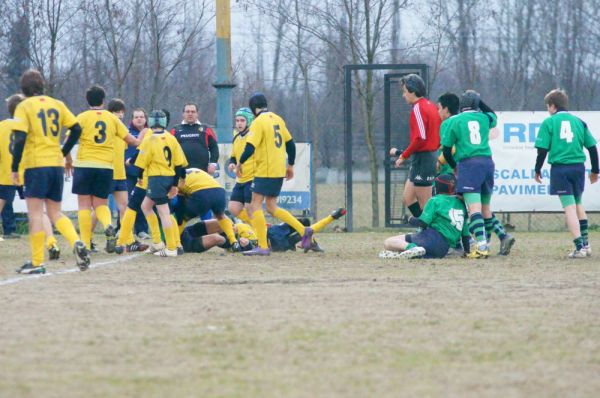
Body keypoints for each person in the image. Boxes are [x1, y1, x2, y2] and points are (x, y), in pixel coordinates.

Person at [11, 69, 89, 273]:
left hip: (36, 165)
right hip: (55, 164)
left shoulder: (24, 106)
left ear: (24, 88)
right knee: (55, 212)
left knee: (35, 214)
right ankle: (76, 242)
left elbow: (19, 139)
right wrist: (63, 152)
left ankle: (37, 262)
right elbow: (77, 129)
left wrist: (14, 167)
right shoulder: (57, 104)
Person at [441, 90, 515, 258]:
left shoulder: (455, 121)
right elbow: (492, 115)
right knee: (485, 209)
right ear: (476, 105)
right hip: (487, 163)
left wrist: (454, 167)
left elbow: (446, 151)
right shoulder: (484, 118)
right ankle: (503, 236)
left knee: (474, 209)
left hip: (469, 164)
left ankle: (481, 247)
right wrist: (479, 102)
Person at [236, 93, 313, 256]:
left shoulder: (258, 122)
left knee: (255, 205)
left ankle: (263, 246)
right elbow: (291, 145)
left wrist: (240, 162)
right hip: (278, 169)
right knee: (271, 207)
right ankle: (303, 230)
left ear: (254, 109)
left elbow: (250, 147)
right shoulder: (278, 119)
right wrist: (290, 165)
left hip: (265, 169)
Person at [68, 86, 140, 254]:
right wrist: (143, 136)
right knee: (101, 204)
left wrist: (68, 159)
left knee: (84, 205)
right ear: (103, 100)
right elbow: (132, 141)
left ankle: (85, 243)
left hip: (85, 165)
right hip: (106, 166)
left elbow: (71, 139)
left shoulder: (82, 117)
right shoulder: (112, 119)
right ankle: (108, 225)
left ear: (87, 100)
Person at [534, 89, 598, 258]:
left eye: (548, 106)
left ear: (553, 106)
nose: (548, 110)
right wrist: (595, 170)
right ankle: (586, 245)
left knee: (569, 208)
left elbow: (542, 150)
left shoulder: (549, 122)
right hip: (578, 167)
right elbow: (592, 147)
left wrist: (537, 169)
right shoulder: (579, 122)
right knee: (578, 205)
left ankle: (579, 248)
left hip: (561, 169)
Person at [135, 110, 188, 257]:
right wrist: (175, 184)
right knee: (145, 206)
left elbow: (141, 163)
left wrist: (139, 176)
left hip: (156, 178)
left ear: (150, 122)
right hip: (169, 178)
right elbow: (180, 164)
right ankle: (158, 242)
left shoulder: (149, 139)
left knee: (164, 213)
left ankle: (171, 247)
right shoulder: (171, 138)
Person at [380, 174, 470, 259]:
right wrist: (467, 251)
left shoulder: (435, 200)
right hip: (443, 250)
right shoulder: (461, 204)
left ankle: (413, 248)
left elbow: (422, 223)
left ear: (437, 187)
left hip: (432, 238)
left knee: (388, 242)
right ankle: (409, 251)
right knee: (416, 249)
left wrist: (409, 219)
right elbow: (465, 234)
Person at [390, 74, 441, 218]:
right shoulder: (430, 105)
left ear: (413, 91)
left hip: (424, 159)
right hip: (424, 157)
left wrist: (403, 156)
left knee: (426, 204)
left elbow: (420, 138)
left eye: (405, 91)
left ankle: (433, 234)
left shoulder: (418, 108)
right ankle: (423, 227)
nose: (403, 95)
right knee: (407, 197)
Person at [174, 168, 239, 250]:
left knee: (182, 218)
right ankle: (234, 241)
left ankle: (175, 243)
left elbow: (177, 193)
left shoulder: (173, 177)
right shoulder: (192, 170)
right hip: (219, 191)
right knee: (221, 216)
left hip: (201, 193)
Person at [170, 103, 218, 173]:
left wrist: (213, 164)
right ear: (183, 114)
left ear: (197, 114)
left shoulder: (206, 129)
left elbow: (214, 148)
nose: (190, 114)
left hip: (202, 171)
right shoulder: (174, 130)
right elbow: (168, 150)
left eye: (193, 112)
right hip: (181, 173)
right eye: (187, 111)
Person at [125, 107, 150, 239]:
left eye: (141, 116)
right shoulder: (127, 133)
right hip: (129, 174)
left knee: (144, 202)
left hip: (145, 174)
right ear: (132, 119)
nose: (139, 119)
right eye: (136, 117)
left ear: (145, 119)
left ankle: (142, 230)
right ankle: (123, 229)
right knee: (128, 202)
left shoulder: (151, 133)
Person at [227, 107, 254, 223]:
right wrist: (232, 163)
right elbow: (233, 156)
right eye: (237, 120)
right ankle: (259, 224)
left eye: (242, 120)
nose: (239, 123)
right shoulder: (236, 136)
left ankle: (259, 233)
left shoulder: (253, 135)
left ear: (249, 121)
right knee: (232, 209)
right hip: (240, 180)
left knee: (250, 208)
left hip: (253, 177)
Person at [435, 92, 460, 176]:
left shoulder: (446, 123)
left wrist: (439, 161)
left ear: (446, 109)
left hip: (449, 170)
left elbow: (451, 148)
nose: (438, 112)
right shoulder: (461, 121)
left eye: (439, 108)